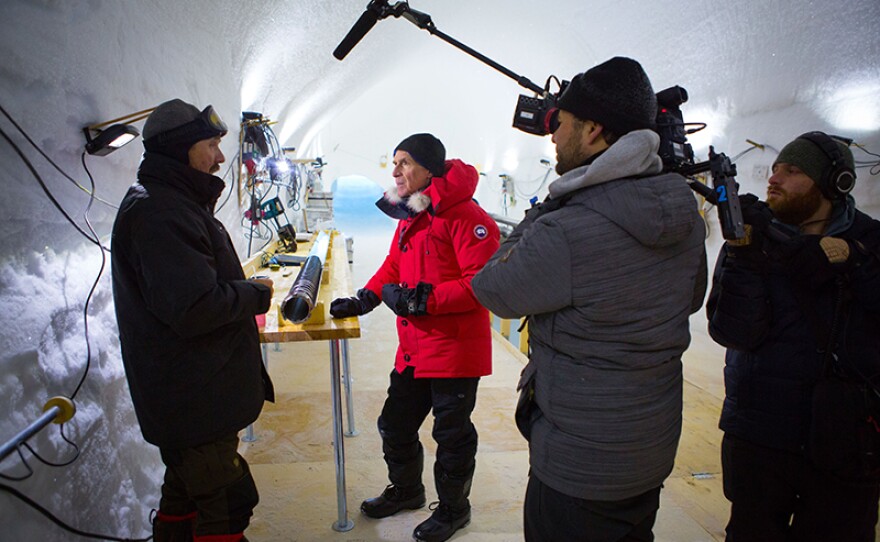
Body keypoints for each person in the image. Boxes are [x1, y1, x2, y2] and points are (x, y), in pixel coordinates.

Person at [470, 57, 707, 542]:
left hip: (579, 467)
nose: (552, 136)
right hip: (650, 449)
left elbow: (492, 287)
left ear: (595, 131)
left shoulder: (566, 229)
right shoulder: (685, 215)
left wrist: (552, 204)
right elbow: (692, 296)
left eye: (561, 124)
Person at [111, 99, 275, 542]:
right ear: (182, 149)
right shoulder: (161, 212)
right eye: (211, 145)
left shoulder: (172, 202)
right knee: (226, 503)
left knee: (185, 491)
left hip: (191, 393)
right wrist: (255, 293)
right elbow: (194, 306)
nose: (221, 158)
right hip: (193, 394)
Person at [706, 131, 880, 541]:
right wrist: (744, 257)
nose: (774, 178)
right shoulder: (753, 238)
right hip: (761, 432)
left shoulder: (871, 241)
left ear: (833, 184)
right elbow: (733, 331)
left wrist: (855, 262)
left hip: (847, 438)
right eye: (776, 168)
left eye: (793, 170)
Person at [329, 133, 500, 542]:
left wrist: (421, 301)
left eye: (404, 162)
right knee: (394, 424)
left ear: (429, 169)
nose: (395, 171)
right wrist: (365, 298)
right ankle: (408, 490)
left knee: (451, 436)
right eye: (394, 162)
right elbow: (394, 264)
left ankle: (455, 509)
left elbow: (482, 284)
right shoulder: (413, 215)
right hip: (415, 349)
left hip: (454, 350)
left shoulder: (468, 218)